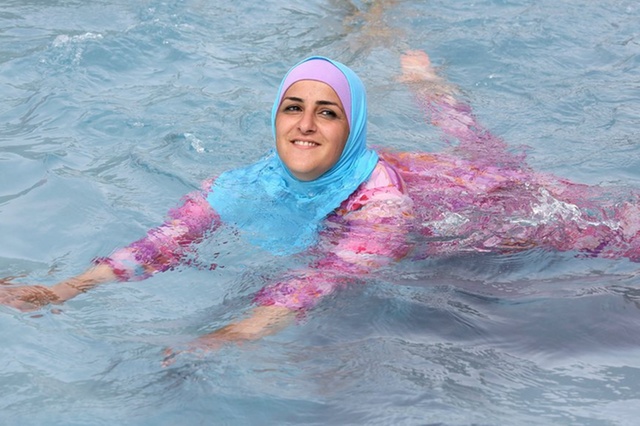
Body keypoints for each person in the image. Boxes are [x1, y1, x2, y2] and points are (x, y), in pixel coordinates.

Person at [2, 51, 639, 356]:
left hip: (509, 213)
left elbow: (318, 283)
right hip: (447, 184)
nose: (305, 126)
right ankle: (425, 82)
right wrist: (65, 289)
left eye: (327, 112)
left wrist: (228, 335)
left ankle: (426, 84)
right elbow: (165, 241)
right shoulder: (248, 180)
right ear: (276, 117)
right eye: (293, 108)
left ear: (351, 126)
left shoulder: (378, 211)